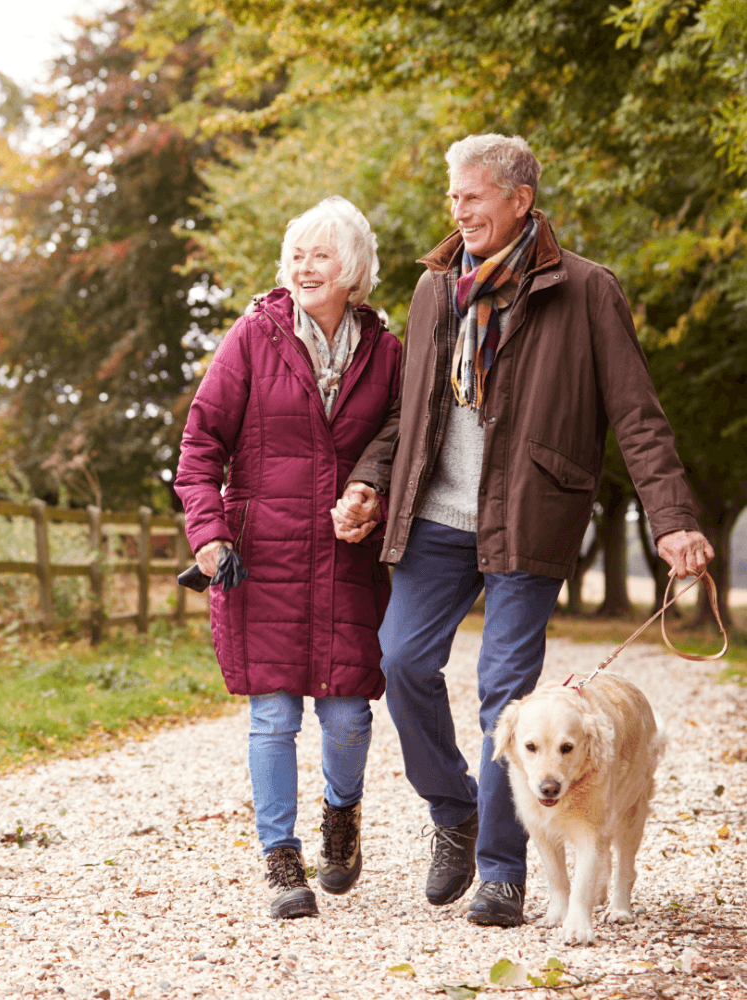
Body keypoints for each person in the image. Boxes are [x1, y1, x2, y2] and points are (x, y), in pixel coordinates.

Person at [331, 134, 713, 928]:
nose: (459, 210)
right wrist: (369, 480)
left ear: (519, 201)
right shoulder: (437, 291)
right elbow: (409, 411)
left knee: (507, 699)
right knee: (400, 660)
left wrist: (672, 521)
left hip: (530, 517)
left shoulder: (587, 291)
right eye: (453, 198)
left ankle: (503, 873)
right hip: (436, 514)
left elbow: (637, 418)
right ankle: (456, 812)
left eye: (473, 196)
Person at [175, 196, 402, 919]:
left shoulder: (386, 353)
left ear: (355, 270)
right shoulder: (253, 337)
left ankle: (342, 815)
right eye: (297, 254)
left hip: (344, 562)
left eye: (321, 255)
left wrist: (375, 503)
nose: (305, 267)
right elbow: (200, 444)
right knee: (272, 718)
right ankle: (281, 858)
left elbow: (402, 447)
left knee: (347, 718)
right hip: (261, 558)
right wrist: (208, 533)